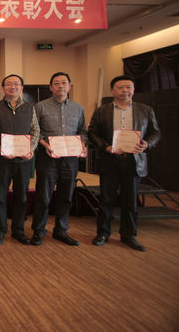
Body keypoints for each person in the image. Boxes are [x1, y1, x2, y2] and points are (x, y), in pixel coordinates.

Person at [88, 75, 160, 252]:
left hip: (133, 161)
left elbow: (155, 133)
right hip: (109, 161)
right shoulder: (102, 111)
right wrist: (106, 147)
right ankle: (102, 233)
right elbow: (92, 133)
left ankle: (129, 235)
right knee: (106, 199)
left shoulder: (145, 110)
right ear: (112, 90)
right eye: (120, 87)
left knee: (131, 201)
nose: (125, 91)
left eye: (128, 87)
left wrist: (147, 144)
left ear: (134, 90)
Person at [30, 72, 87, 246]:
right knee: (43, 196)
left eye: (64, 83)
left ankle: (61, 230)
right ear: (51, 87)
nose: (60, 86)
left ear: (69, 86)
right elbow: (34, 131)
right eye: (56, 83)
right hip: (47, 157)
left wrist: (82, 144)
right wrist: (44, 144)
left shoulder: (78, 108)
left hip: (70, 159)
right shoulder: (40, 107)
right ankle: (39, 231)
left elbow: (83, 131)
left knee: (66, 196)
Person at [0, 74, 40, 246]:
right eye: (8, 84)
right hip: (2, 160)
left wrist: (30, 149)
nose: (12, 87)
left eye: (16, 84)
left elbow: (36, 130)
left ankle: (18, 231)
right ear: (3, 88)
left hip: (23, 161)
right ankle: (0, 231)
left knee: (21, 197)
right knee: (0, 196)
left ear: (21, 87)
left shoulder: (30, 108)